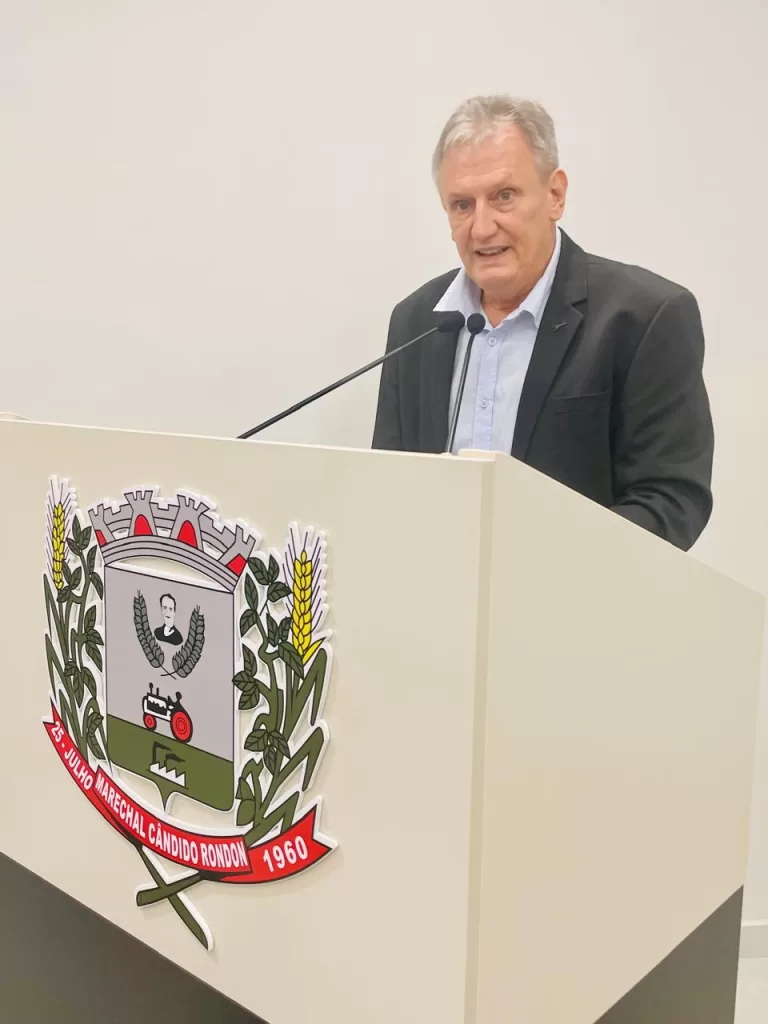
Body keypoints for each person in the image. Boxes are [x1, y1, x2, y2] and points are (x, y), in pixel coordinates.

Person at [372, 95, 714, 551]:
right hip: (434, 588)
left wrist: (544, 562)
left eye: (503, 196)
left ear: (555, 194)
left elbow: (671, 501)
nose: (481, 228)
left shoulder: (644, 318)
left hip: (579, 591)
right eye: (462, 205)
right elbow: (387, 486)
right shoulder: (417, 321)